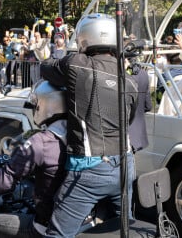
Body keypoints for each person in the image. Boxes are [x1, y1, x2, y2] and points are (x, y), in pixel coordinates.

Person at [40, 14, 138, 237]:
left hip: (90, 167)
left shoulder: (78, 64)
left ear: (85, 38)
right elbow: (128, 120)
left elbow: (46, 68)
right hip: (125, 163)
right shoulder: (129, 80)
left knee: (57, 233)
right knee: (123, 228)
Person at [0, 81, 68, 237]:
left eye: (36, 104)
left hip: (46, 226)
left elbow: (4, 182)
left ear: (47, 105)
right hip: (77, 219)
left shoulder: (41, 141)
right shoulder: (81, 137)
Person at [127, 56, 151, 152]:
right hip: (137, 133)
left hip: (123, 134)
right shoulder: (144, 74)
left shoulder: (121, 75)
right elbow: (148, 105)